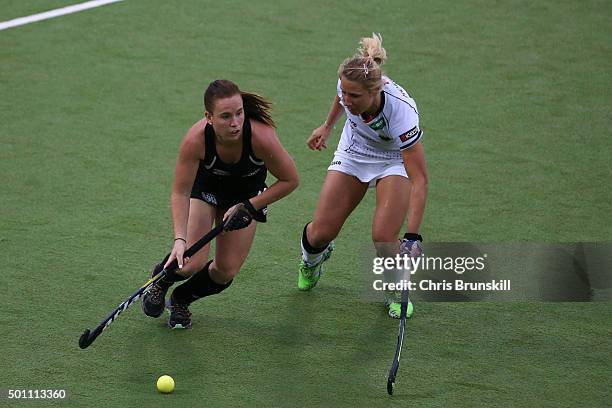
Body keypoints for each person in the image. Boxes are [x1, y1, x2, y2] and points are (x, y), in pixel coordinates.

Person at [142, 79, 299, 329]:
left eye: (239, 113)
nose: (235, 123)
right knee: (191, 261)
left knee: (225, 271)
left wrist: (250, 205)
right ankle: (161, 280)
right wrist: (179, 240)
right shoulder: (196, 139)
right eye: (226, 116)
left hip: (245, 196)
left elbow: (290, 180)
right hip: (206, 191)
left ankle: (181, 299)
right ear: (209, 117)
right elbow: (180, 192)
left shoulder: (261, 137)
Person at [298, 33, 428, 318]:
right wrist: (328, 126)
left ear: (377, 90)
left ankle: (394, 290)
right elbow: (339, 98)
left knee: (383, 238)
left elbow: (420, 179)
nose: (347, 100)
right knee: (321, 232)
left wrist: (412, 237)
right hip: (355, 150)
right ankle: (311, 261)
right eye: (344, 92)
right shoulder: (347, 88)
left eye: (354, 96)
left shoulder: (402, 114)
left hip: (393, 158)